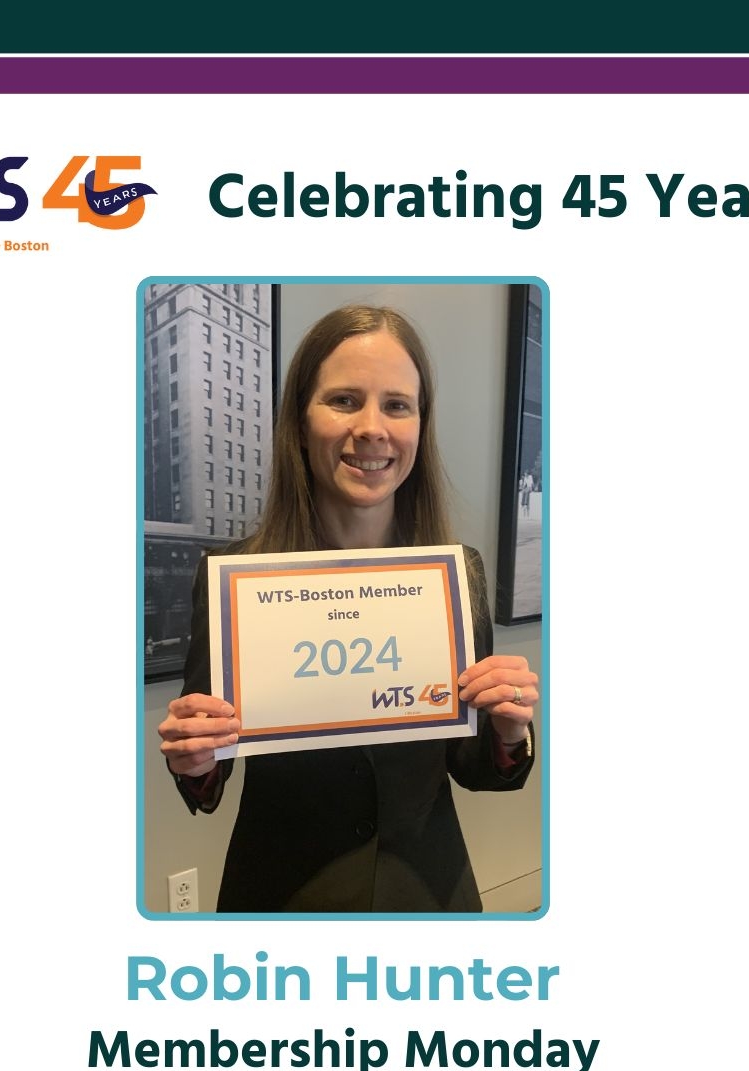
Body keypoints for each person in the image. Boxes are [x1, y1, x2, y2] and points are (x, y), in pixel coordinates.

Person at [157, 305, 537, 912]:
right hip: (281, 896)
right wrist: (196, 756)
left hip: (428, 893)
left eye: (396, 405)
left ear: (420, 424)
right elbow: (211, 775)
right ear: (300, 423)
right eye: (342, 400)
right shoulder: (234, 583)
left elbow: (474, 766)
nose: (372, 427)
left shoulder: (457, 576)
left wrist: (508, 729)